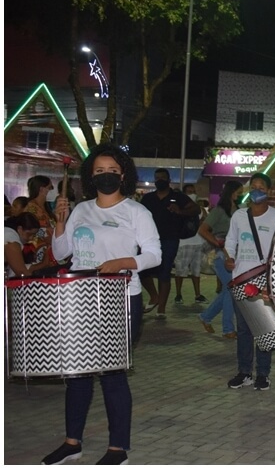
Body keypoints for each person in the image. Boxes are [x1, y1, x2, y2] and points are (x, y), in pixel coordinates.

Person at [44, 143, 162, 465]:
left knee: (112, 375)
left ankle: (118, 448)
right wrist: (59, 221)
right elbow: (59, 254)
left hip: (120, 300)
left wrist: (123, 261)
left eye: (112, 170)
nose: (106, 175)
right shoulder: (81, 209)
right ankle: (72, 442)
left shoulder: (136, 212)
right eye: (99, 171)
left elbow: (154, 255)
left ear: (122, 174)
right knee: (78, 374)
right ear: (90, 176)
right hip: (80, 300)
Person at [224, 173, 275, 390]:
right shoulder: (239, 216)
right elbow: (230, 241)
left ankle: (263, 374)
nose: (257, 190)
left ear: (269, 191)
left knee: (264, 328)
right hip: (240, 278)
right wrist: (229, 257)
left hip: (264, 280)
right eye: (254, 186)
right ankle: (244, 371)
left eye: (261, 187)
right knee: (244, 329)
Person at [140, 168, 201, 319]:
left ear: (168, 180)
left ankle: (161, 308)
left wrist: (180, 211)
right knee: (142, 270)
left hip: (170, 239)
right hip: (149, 240)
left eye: (162, 177)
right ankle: (154, 296)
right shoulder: (148, 198)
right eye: (157, 177)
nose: (159, 180)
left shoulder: (177, 197)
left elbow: (196, 209)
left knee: (164, 272)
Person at [197, 181, 243, 338]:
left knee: (228, 290)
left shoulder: (236, 210)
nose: (241, 194)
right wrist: (218, 242)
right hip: (220, 255)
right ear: (232, 192)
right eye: (239, 191)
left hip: (232, 255)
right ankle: (227, 329)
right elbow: (203, 230)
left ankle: (206, 317)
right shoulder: (219, 211)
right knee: (232, 290)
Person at [173, 184, 208, 306]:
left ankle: (198, 294)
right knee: (180, 270)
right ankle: (178, 294)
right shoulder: (180, 208)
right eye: (189, 192)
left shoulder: (199, 209)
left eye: (193, 191)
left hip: (198, 242)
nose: (192, 194)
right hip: (184, 243)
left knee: (196, 270)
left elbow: (205, 222)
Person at [22, 175, 59, 271]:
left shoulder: (45, 207)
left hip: (50, 251)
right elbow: (29, 229)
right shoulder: (31, 208)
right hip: (37, 252)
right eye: (50, 187)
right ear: (42, 189)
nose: (52, 190)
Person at [4, 212, 42, 277]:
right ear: (20, 229)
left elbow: (13, 270)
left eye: (33, 235)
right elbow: (21, 273)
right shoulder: (11, 238)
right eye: (29, 234)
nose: (31, 238)